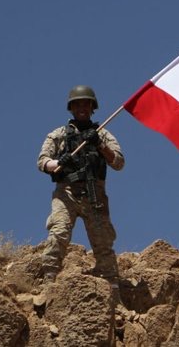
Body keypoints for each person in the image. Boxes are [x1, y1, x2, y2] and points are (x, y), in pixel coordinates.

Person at [37, 85, 125, 284]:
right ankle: (49, 280)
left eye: (86, 104)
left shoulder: (102, 134)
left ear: (93, 107)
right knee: (58, 232)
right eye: (78, 104)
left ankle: (111, 285)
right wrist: (59, 163)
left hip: (95, 195)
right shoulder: (58, 134)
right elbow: (42, 161)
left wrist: (99, 145)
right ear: (71, 108)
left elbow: (118, 162)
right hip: (66, 193)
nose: (82, 108)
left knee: (103, 241)